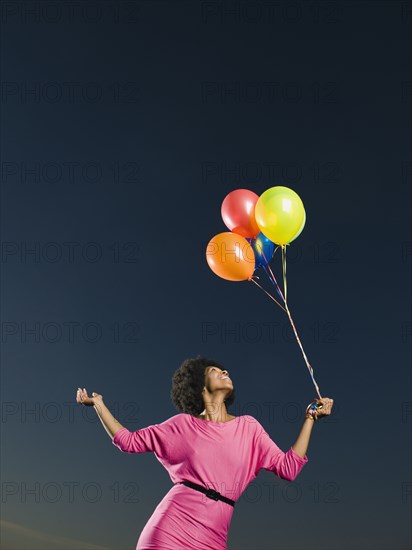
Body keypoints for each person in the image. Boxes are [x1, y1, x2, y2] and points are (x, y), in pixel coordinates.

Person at [76, 355, 334, 550]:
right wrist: (98, 404)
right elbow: (128, 441)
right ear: (200, 385)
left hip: (214, 538)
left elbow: (288, 468)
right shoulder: (181, 425)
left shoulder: (249, 428)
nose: (225, 371)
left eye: (224, 369)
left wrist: (310, 417)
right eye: (215, 370)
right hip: (170, 531)